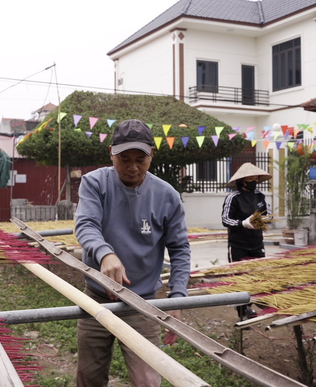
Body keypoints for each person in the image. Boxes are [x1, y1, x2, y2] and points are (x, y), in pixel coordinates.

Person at [74, 119, 191, 387]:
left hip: (143, 303)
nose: (133, 167)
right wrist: (105, 254)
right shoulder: (94, 184)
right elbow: (86, 224)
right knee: (89, 377)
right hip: (96, 299)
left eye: (141, 159)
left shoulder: (167, 196)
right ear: (111, 153)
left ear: (152, 155)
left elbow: (180, 249)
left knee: (147, 380)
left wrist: (178, 298)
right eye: (124, 159)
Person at [221, 162, 272, 319]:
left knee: (257, 276)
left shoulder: (260, 196)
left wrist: (261, 220)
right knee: (240, 277)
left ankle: (252, 304)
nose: (254, 181)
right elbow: (225, 219)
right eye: (251, 178)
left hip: (256, 243)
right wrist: (242, 223)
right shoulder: (233, 198)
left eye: (256, 178)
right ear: (243, 180)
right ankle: (242, 311)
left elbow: (268, 215)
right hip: (238, 245)